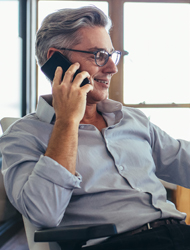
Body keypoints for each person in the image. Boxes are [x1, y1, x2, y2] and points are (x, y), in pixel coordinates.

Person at [1, 5, 190, 250]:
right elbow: (44, 211)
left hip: (179, 235)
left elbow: (182, 160)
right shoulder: (23, 136)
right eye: (99, 55)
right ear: (56, 60)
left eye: (113, 55)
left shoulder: (132, 120)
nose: (112, 68)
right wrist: (67, 121)